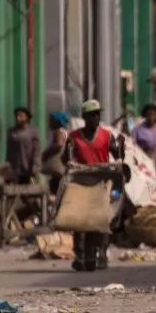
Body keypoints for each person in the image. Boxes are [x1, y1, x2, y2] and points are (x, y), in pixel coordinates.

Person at [61, 99, 127, 271]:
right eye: (91, 115)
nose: (95, 118)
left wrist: (121, 149)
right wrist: (70, 161)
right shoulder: (74, 137)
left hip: (102, 183)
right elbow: (64, 159)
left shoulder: (106, 135)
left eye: (97, 115)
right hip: (81, 184)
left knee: (101, 220)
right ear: (84, 117)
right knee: (80, 222)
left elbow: (117, 156)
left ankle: (102, 253)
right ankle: (80, 254)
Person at [133, 103, 156, 181]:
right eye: (149, 114)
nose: (151, 117)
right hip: (145, 166)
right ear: (145, 115)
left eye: (153, 114)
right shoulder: (138, 130)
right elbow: (133, 149)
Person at [6, 107, 40, 185]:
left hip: (27, 168)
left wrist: (35, 165)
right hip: (14, 168)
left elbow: (36, 150)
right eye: (17, 116)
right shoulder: (12, 132)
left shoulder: (32, 132)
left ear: (26, 117)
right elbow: (9, 149)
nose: (18, 118)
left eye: (21, 116)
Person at [42, 112, 70, 196]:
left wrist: (46, 153)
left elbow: (59, 144)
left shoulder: (58, 131)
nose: (50, 122)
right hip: (62, 166)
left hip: (58, 165)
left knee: (55, 188)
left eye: (51, 120)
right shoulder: (65, 132)